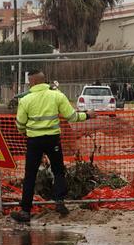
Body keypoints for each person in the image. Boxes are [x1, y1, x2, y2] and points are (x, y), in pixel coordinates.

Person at [10, 70, 93, 224]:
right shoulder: (57, 96)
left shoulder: (25, 100)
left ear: (32, 82)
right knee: (58, 170)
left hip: (34, 141)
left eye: (29, 82)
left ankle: (25, 211)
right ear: (44, 81)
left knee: (30, 175)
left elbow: (20, 124)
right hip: (53, 140)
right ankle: (60, 202)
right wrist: (87, 115)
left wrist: (25, 132)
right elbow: (72, 117)